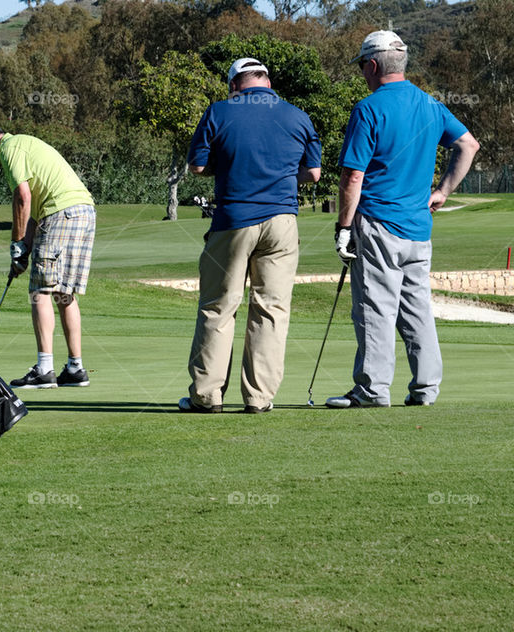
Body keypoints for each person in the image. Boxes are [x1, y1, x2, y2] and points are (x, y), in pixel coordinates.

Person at [326, 31, 479, 408]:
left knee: (375, 309)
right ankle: (425, 389)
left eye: (362, 67)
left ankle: (372, 390)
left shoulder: (368, 108)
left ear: (372, 65)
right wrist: (443, 191)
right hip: (418, 229)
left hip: (378, 224)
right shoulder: (431, 105)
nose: (362, 73)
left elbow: (353, 176)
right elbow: (468, 145)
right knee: (417, 309)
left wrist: (343, 228)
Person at [180, 58, 322, 414]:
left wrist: (228, 168)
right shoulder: (297, 116)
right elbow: (314, 173)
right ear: (267, 82)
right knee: (271, 308)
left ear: (234, 85)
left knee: (219, 306)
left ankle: (207, 396)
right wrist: (282, 175)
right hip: (282, 223)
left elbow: (197, 165)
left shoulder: (218, 111)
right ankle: (259, 398)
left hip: (233, 220)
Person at [0, 123, 96, 389]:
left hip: (61, 213)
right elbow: (34, 213)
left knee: (40, 291)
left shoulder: (9, 148)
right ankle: (75, 368)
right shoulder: (25, 145)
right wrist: (23, 251)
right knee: (64, 293)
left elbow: (22, 198)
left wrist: (15, 244)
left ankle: (44, 370)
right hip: (81, 211)